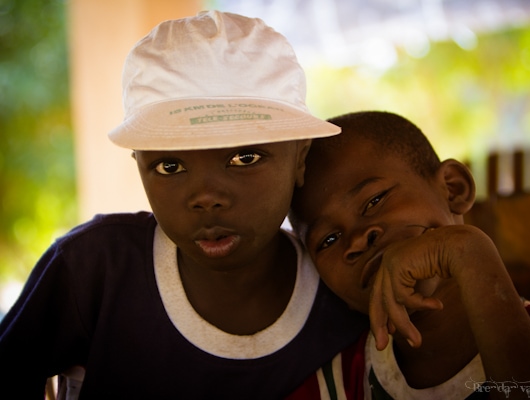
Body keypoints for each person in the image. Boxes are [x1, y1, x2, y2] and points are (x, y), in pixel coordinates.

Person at [0, 11, 369, 399]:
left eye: (245, 158)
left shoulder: (343, 287)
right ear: (139, 164)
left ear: (300, 158)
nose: (206, 196)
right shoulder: (94, 269)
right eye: (170, 165)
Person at [290, 110, 530, 399]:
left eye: (374, 201)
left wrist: (469, 252)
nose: (358, 239)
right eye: (328, 239)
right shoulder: (336, 387)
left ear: (453, 189)